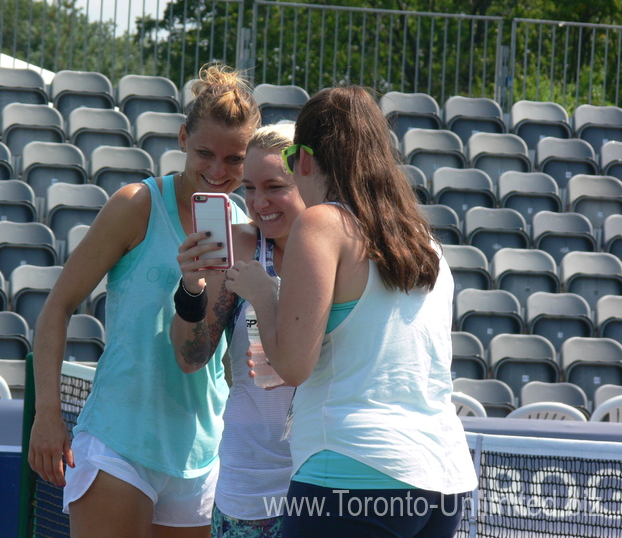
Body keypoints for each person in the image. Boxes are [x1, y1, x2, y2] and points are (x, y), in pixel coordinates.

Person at [223, 86, 478, 537]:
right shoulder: (425, 241)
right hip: (444, 480)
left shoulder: (321, 223)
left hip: (349, 475)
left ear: (303, 159)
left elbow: (293, 365)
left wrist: (263, 295)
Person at [27, 63, 261, 538]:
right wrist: (47, 415)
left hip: (202, 454)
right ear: (181, 139)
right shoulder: (136, 204)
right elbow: (57, 307)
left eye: (235, 160)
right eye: (205, 153)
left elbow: (223, 349)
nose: (218, 172)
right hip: (118, 443)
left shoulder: (247, 226)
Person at [171, 123, 306, 538]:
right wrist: (191, 288)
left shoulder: (344, 251)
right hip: (248, 488)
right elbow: (191, 358)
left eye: (274, 186)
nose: (258, 202)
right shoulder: (242, 246)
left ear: (308, 178)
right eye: (248, 188)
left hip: (323, 480)